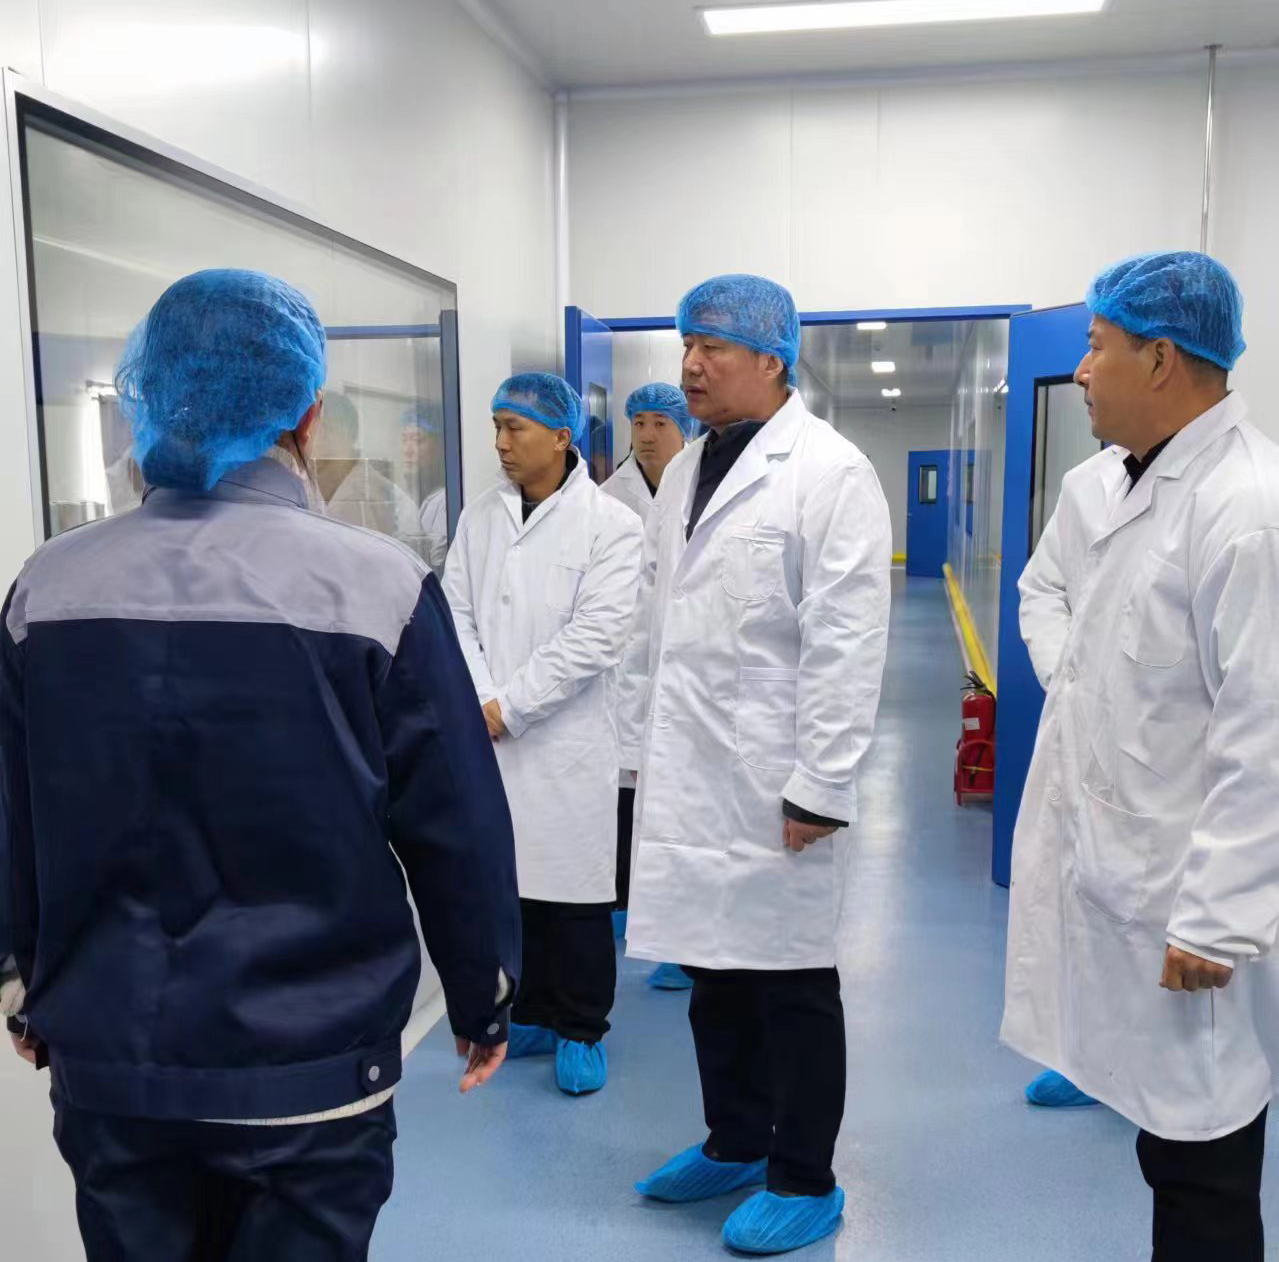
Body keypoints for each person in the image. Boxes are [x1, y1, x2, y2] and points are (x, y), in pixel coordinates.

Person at [0, 269, 522, 1262]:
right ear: (307, 415)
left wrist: (24, 970)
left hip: (114, 1064)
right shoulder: (377, 588)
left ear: (148, 402)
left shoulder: (47, 588)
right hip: (310, 1068)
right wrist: (482, 994)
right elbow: (453, 819)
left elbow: (14, 809)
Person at [1001, 251, 1279, 1261]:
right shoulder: (1108, 483)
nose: (1080, 370)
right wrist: (1074, 676)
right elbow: (1049, 597)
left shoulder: (1247, 507)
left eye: (1096, 345)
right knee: (1163, 1140)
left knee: (1202, 1155)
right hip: (1121, 854)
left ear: (1158, 358)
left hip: (1189, 891)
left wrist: (1216, 916)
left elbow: (1265, 733)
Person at [621, 275, 891, 1255]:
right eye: (685, 346)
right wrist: (634, 747)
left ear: (772, 359)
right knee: (712, 970)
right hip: (688, 766)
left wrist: (821, 782)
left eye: (712, 348)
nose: (690, 366)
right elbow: (654, 620)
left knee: (790, 981)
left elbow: (847, 640)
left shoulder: (829, 472)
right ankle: (734, 1140)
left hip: (775, 778)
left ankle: (804, 1176)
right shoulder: (686, 469)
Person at [443, 372, 643, 1097]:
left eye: (514, 428)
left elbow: (596, 637)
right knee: (511, 891)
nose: (500, 442)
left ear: (561, 437)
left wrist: (510, 706)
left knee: (575, 899)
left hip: (566, 741)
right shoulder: (480, 517)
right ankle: (526, 1014)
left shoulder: (610, 525)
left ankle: (582, 1027)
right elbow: (454, 612)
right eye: (496, 426)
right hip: (488, 732)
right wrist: (480, 699)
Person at [1015, 452, 1126, 1110]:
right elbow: (1042, 586)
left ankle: (1144, 1069)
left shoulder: (1241, 488)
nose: (1089, 401)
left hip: (1176, 745)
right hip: (1087, 731)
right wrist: (1068, 673)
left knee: (1166, 917)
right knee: (1090, 897)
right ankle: (1094, 1059)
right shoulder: (1086, 484)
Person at [601, 382, 697, 991]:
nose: (646, 434)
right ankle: (623, 907)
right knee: (623, 802)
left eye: (660, 422)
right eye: (638, 422)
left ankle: (680, 940)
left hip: (685, 671)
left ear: (684, 428)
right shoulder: (608, 498)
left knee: (678, 812)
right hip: (621, 667)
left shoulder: (704, 486)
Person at [313, 390, 428, 554]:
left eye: (329, 428)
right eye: (313, 429)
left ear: (350, 434)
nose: (318, 438)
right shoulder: (302, 493)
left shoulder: (396, 504)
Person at [400, 403, 450, 577]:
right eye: (404, 440)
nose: (407, 450)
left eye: (418, 441)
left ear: (440, 447)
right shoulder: (407, 495)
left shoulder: (446, 502)